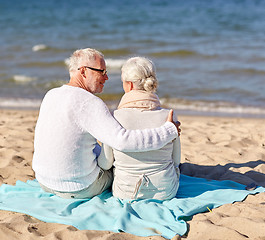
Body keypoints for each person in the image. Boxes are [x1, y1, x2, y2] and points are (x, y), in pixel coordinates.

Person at [32, 48, 180, 199]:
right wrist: (168, 130)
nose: (107, 77)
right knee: (115, 166)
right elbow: (123, 141)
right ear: (83, 72)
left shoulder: (51, 94)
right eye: (101, 71)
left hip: (44, 181)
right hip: (79, 188)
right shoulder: (90, 103)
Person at [102, 56, 181, 200]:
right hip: (166, 192)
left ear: (130, 85)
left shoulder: (115, 118)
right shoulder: (169, 116)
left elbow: (106, 163)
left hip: (125, 193)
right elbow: (176, 161)